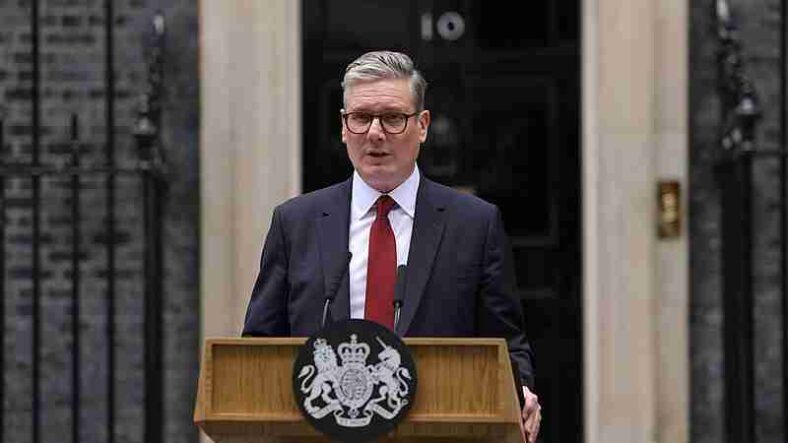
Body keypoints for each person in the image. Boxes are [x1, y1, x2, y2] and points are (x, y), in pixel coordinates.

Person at [242, 50, 541, 442]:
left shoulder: (474, 224)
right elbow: (260, 349)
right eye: (361, 117)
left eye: (393, 118)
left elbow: (506, 342)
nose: (375, 133)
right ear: (344, 127)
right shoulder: (296, 223)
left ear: (422, 125)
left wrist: (519, 389)